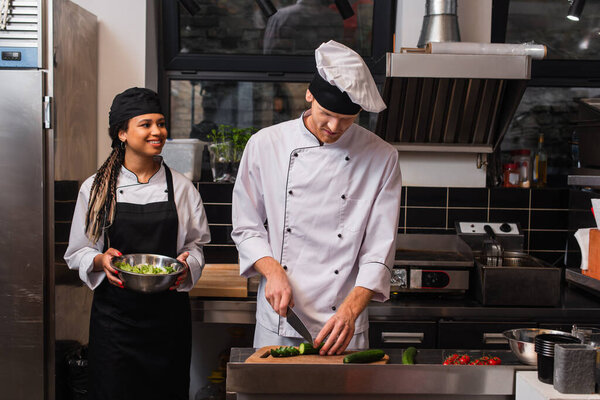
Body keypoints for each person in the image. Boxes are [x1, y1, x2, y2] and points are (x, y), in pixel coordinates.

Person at [231, 41, 402, 355]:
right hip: (281, 317)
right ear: (309, 95)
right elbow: (246, 227)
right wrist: (272, 271)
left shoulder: (382, 157)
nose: (334, 127)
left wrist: (351, 310)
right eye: (327, 114)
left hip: (344, 322)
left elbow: (379, 248)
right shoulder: (265, 145)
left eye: (347, 120)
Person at [64, 87, 210, 400]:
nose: (157, 131)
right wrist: (100, 260)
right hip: (115, 324)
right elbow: (77, 252)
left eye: (161, 123)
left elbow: (196, 246)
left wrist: (188, 266)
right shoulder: (96, 188)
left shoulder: (182, 188)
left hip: (168, 322)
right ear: (122, 133)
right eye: (145, 124)